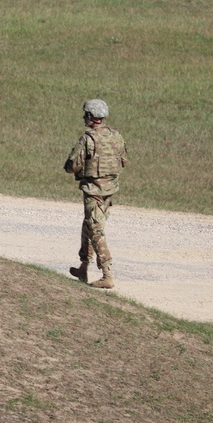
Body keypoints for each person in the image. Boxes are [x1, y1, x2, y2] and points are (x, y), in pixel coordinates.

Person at [63, 99, 127, 289]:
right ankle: (84, 266)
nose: (84, 118)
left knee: (96, 229)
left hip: (94, 191)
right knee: (88, 226)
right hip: (110, 191)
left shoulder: (88, 139)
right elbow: (124, 160)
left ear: (92, 117)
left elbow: (73, 165)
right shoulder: (116, 136)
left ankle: (107, 274)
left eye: (86, 115)